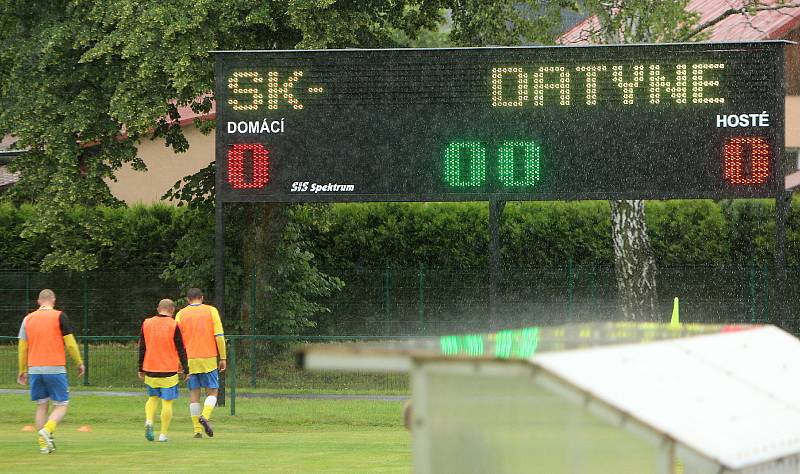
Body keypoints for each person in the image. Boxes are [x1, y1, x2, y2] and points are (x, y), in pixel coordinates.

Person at [17, 289, 85, 454]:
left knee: (41, 405)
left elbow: (22, 347)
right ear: (53, 300)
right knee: (62, 404)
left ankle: (43, 444)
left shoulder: (28, 319)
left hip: (34, 368)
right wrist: (79, 362)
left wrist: (22, 370)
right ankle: (47, 430)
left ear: (39, 301)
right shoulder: (59, 316)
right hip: (54, 367)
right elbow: (69, 343)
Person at [175, 288, 226, 438]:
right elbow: (219, 336)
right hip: (208, 358)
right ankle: (205, 416)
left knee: (194, 395)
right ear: (202, 298)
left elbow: (176, 341)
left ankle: (197, 430)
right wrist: (223, 357)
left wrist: (179, 361)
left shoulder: (180, 314)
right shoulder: (211, 311)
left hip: (189, 360)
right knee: (213, 391)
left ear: (187, 300)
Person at [138, 299, 189, 442]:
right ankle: (163, 434)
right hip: (169, 370)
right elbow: (181, 349)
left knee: (153, 398)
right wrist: (186, 369)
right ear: (172, 310)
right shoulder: (174, 325)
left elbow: (142, 346)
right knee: (167, 402)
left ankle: (149, 421)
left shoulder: (146, 323)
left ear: (158, 308)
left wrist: (140, 367)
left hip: (150, 368)